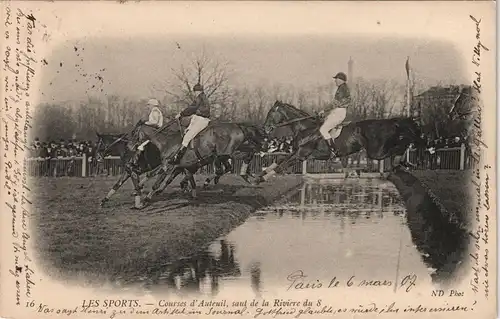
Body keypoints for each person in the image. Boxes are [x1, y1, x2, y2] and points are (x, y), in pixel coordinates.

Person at [169, 83, 211, 164]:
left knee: (187, 137)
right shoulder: (202, 97)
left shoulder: (199, 98)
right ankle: (196, 156)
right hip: (198, 118)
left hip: (201, 119)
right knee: (187, 133)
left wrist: (181, 114)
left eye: (195, 92)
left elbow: (192, 108)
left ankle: (177, 158)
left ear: (197, 91)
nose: (194, 93)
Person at [319, 72, 351, 156]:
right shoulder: (343, 88)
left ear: (341, 80)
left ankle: (333, 150)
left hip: (338, 112)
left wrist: (324, 111)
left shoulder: (342, 89)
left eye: (336, 79)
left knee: (323, 130)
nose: (335, 81)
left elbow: (335, 103)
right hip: (338, 111)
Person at [131, 98, 164, 168]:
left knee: (142, 128)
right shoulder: (155, 111)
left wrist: (145, 122)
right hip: (154, 129)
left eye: (149, 105)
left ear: (153, 105)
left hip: (154, 130)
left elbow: (154, 122)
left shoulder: (155, 111)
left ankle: (137, 148)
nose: (148, 106)